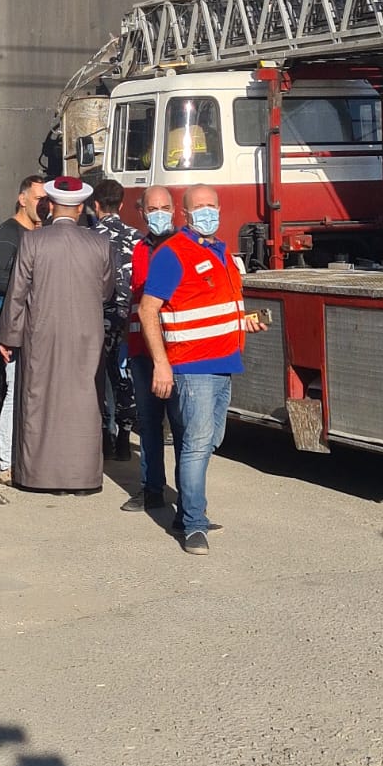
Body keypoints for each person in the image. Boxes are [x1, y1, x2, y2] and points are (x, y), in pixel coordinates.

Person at [139, 184, 266, 556]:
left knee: (209, 441)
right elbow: (148, 310)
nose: (207, 212)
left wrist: (244, 322)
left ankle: (187, 514)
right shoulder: (173, 253)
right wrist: (161, 363)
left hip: (224, 363)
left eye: (212, 205)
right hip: (192, 367)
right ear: (185, 213)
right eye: (199, 206)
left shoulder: (223, 252)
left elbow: (215, 308)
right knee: (197, 444)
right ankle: (194, 523)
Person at [0, 176, 115, 493]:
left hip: (41, 336)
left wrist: (7, 335)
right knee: (84, 404)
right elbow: (106, 292)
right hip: (87, 338)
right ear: (80, 207)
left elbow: (17, 293)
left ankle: (39, 475)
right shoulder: (100, 244)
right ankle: (82, 477)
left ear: (50, 205)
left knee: (40, 401)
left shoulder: (33, 241)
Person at [0, 175, 47, 485]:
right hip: (14, 323)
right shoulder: (9, 234)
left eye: (48, 201)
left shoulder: (43, 233)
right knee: (14, 391)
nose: (44, 206)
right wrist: (26, 286)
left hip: (40, 325)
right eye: (39, 199)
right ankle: (6, 463)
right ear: (22, 199)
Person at [121, 185, 181, 514]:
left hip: (178, 352)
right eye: (153, 209)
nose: (159, 214)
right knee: (148, 424)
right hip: (142, 352)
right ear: (142, 213)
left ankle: (188, 500)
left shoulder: (184, 247)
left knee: (183, 428)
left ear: (175, 210)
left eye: (165, 208)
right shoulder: (138, 249)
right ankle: (151, 490)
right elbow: (135, 300)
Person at [93, 177, 140, 461]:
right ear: (121, 205)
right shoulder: (137, 238)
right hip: (129, 319)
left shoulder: (89, 238)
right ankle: (124, 436)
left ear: (95, 205)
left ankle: (105, 436)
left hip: (98, 319)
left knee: (99, 377)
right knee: (125, 376)